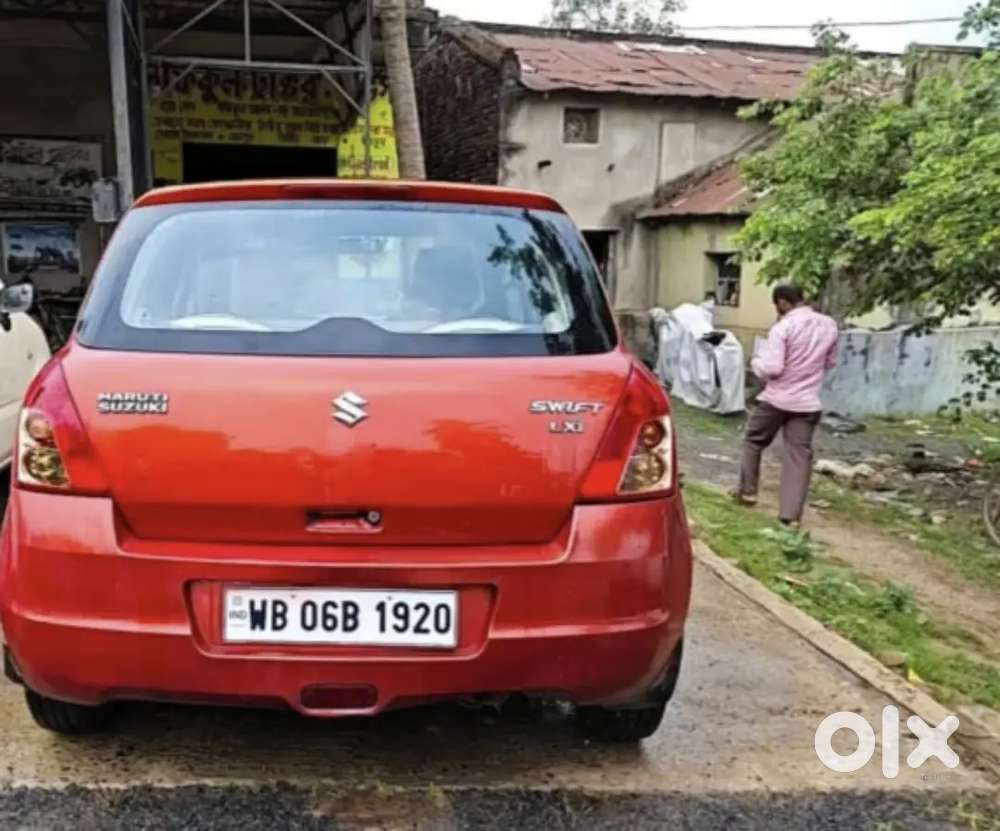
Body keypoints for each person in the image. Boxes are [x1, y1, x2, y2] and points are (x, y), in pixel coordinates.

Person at [733, 284, 839, 528]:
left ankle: (747, 492)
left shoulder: (783, 327)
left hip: (776, 399)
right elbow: (830, 362)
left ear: (782, 303)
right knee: (798, 456)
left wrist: (756, 362)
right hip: (808, 402)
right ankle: (790, 516)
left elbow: (773, 368)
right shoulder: (829, 325)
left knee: (753, 441)